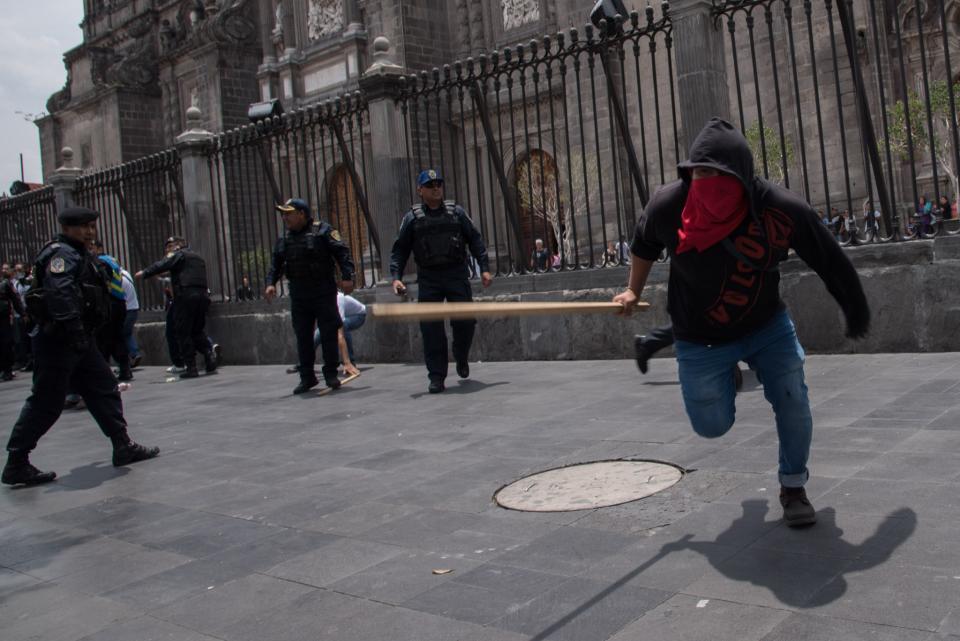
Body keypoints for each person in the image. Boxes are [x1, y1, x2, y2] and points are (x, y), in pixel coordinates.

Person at [613, 118, 870, 527]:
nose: (709, 182)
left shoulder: (780, 208)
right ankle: (730, 379)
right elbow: (643, 243)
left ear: (744, 178)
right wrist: (632, 290)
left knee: (793, 397)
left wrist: (855, 308)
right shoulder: (668, 205)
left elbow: (829, 259)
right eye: (700, 172)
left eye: (720, 174)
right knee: (711, 426)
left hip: (766, 325)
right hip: (699, 336)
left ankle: (793, 485)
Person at [2, 207, 159, 486]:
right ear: (66, 227)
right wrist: (75, 331)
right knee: (46, 401)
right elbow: (60, 293)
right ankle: (17, 461)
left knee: (104, 387)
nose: (89, 231)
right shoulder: (62, 254)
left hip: (77, 339)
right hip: (59, 339)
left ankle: (122, 445)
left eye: (91, 226)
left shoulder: (78, 253)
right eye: (82, 227)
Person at [390, 169, 492, 393]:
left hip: (456, 274)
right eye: (430, 185)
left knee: (465, 322)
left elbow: (475, 239)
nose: (436, 188)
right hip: (429, 279)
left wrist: (484, 269)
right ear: (420, 190)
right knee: (431, 329)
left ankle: (461, 354)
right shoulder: (412, 219)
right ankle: (436, 376)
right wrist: (395, 278)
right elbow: (399, 251)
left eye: (438, 184)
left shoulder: (456, 213)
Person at [266, 198, 355, 394]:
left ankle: (331, 373)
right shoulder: (284, 239)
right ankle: (307, 377)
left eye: (288, 213)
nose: (285, 217)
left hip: (322, 290)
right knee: (303, 336)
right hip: (299, 293)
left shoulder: (322, 231)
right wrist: (270, 284)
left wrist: (348, 277)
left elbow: (342, 253)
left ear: (302, 214)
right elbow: (276, 265)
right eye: (283, 214)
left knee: (328, 332)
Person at [136, 237, 217, 379]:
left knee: (183, 331)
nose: (170, 250)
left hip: (186, 297)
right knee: (196, 331)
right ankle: (209, 354)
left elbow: (163, 264)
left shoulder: (180, 255)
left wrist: (146, 273)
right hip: (202, 297)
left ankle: (191, 367)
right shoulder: (198, 257)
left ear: (179, 247)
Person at [92, 241, 133, 381]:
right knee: (117, 337)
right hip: (119, 302)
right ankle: (125, 368)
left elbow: (104, 282)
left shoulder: (100, 262)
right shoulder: (111, 259)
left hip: (110, 303)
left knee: (105, 339)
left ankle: (105, 373)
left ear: (98, 249)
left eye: (92, 247)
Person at [0, 264, 25, 381]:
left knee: (6, 343)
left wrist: (23, 313)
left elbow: (16, 299)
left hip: (3, 319)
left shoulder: (5, 284)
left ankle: (7, 370)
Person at [120, 267, 141, 368]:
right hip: (134, 307)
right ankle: (133, 354)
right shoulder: (125, 273)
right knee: (127, 333)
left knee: (123, 334)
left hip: (128, 309)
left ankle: (132, 355)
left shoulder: (119, 278)